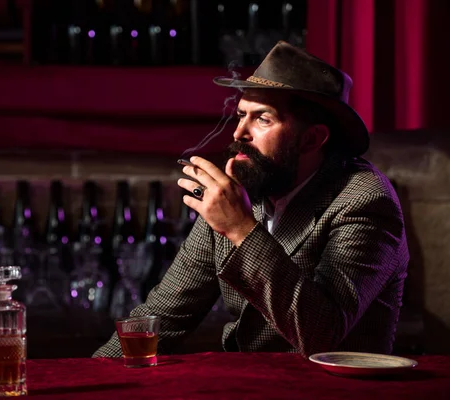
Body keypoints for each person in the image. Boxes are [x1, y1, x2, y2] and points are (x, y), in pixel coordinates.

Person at [93, 41, 409, 358]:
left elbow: (323, 334)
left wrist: (240, 229)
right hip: (249, 384)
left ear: (311, 139)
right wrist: (94, 377)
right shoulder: (249, 188)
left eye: (262, 119)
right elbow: (166, 314)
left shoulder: (365, 201)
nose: (238, 133)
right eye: (241, 115)